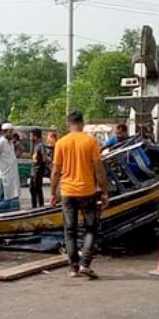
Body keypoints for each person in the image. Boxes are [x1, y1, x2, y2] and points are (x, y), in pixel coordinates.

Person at [50, 111, 109, 278]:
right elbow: (98, 169)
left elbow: (55, 171)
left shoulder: (61, 143)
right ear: (82, 123)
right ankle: (86, 263)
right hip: (87, 191)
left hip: (67, 192)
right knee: (91, 228)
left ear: (68, 124)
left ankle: (73, 267)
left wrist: (53, 193)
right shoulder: (90, 141)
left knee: (70, 230)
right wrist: (105, 192)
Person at [0, 123, 21, 211]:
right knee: (3, 194)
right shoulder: (0, 143)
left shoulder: (11, 143)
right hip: (3, 174)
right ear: (4, 132)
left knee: (13, 193)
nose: (12, 134)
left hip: (11, 174)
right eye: (10, 132)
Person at [29, 128, 48, 208]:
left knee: (37, 188)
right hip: (33, 170)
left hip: (38, 170)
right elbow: (31, 155)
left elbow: (44, 157)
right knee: (32, 189)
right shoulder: (35, 145)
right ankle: (34, 205)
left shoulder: (41, 145)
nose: (31, 138)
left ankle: (40, 205)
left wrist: (41, 168)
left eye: (32, 136)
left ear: (35, 136)